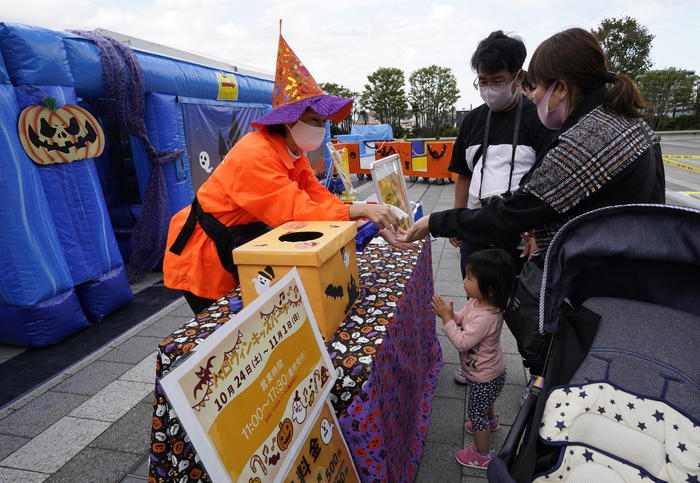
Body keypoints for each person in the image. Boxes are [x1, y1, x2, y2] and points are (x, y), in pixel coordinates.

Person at [400, 27, 665, 371]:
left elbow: (517, 209)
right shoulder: (628, 123)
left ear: (563, 87)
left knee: (568, 365)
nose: (535, 96)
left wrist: (436, 221)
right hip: (629, 280)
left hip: (600, 291)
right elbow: (550, 199)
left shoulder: (586, 138)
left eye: (538, 87)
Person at [164, 32, 408, 315]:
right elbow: (294, 210)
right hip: (205, 254)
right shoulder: (255, 153)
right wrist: (361, 211)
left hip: (241, 242)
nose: (321, 127)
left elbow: (317, 197)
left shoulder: (294, 153)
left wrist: (368, 216)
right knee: (226, 336)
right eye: (315, 120)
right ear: (290, 119)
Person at [449, 31, 554, 278]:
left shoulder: (540, 118)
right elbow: (463, 174)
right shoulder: (472, 121)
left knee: (520, 309)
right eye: (482, 81)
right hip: (477, 232)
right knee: (477, 309)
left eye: (497, 80)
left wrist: (539, 231)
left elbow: (548, 184)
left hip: (521, 240)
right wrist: (457, 218)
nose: (489, 89)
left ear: (518, 77)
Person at [432, 248, 515, 469]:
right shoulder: (477, 302)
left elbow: (462, 342)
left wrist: (446, 320)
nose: (464, 280)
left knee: (476, 413)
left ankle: (482, 455)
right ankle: (492, 421)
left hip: (484, 376)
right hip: (491, 371)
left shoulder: (487, 317)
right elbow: (464, 318)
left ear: (489, 288)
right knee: (485, 403)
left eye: (470, 277)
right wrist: (453, 315)